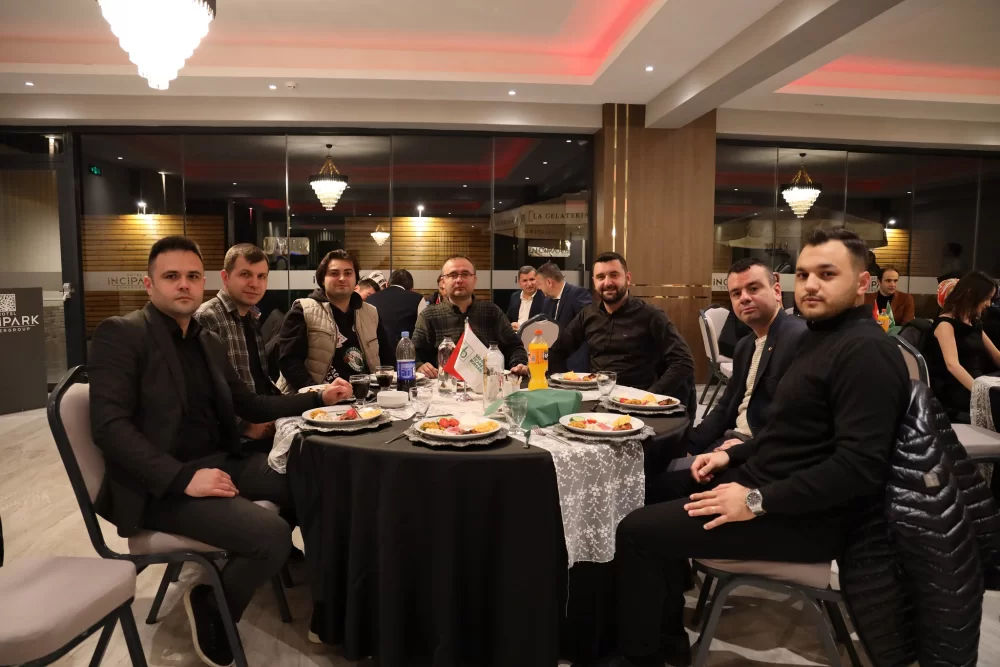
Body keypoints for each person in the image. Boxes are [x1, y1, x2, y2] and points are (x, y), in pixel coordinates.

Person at [607, 228, 909, 667]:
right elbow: (784, 432)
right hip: (766, 484)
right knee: (645, 491)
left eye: (827, 274)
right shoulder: (819, 339)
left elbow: (860, 469)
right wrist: (730, 455)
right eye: (804, 274)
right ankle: (666, 636)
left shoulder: (866, 351)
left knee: (635, 532)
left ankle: (642, 655)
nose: (811, 285)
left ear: (863, 282)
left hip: (805, 517)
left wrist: (754, 500)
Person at [88, 236, 354, 667]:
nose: (184, 284)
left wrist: (318, 396)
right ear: (149, 284)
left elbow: (250, 404)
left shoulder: (205, 339)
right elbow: (109, 428)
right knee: (271, 535)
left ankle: (332, 598)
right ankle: (211, 602)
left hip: (219, 460)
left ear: (204, 282)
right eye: (171, 276)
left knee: (316, 481)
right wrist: (182, 478)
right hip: (158, 485)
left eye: (192, 276)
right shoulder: (122, 334)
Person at [686, 258, 807, 455]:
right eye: (736, 293)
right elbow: (725, 406)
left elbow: (796, 420)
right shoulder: (745, 345)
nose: (744, 298)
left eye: (753, 289)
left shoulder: (799, 338)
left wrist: (744, 448)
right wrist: (690, 447)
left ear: (777, 291)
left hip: (763, 451)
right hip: (733, 440)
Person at [548, 252, 695, 409]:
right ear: (594, 282)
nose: (607, 282)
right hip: (597, 400)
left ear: (628, 278)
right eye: (601, 277)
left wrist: (651, 397)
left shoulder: (651, 315)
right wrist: (566, 389)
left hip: (637, 402)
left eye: (614, 275)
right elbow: (557, 351)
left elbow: (683, 361)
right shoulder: (588, 314)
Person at [194, 243, 279, 452]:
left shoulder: (251, 316)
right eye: (245, 274)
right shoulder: (207, 318)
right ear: (225, 277)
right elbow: (200, 393)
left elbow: (259, 381)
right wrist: (246, 427)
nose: (254, 284)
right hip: (235, 441)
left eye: (261, 276)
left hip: (263, 420)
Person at [276, 249, 392, 393]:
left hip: (366, 397)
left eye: (348, 273)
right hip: (316, 399)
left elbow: (387, 358)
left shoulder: (371, 313)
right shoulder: (303, 310)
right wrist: (318, 395)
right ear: (322, 280)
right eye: (334, 273)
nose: (342, 278)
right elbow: (289, 363)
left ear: (356, 279)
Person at [412, 255, 528, 377]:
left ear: (475, 280)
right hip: (444, 384)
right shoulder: (429, 315)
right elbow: (413, 353)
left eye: (465, 274)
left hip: (486, 384)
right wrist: (419, 365)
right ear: (443, 282)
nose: (459, 280)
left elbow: (514, 347)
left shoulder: (492, 312)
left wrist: (518, 364)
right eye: (453, 275)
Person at [923, 270, 1000, 424]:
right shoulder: (945, 324)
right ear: (971, 294)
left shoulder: (973, 322)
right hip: (955, 388)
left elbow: (996, 355)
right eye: (986, 298)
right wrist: (981, 393)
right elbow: (953, 365)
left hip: (976, 382)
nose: (988, 304)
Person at [536, 261, 593, 372]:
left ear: (549, 282)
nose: (538, 288)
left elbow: (588, 329)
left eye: (539, 283)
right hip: (553, 364)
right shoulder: (546, 302)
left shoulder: (578, 294)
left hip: (575, 365)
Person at [365, 268, 428, 355]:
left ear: (387, 284)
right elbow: (424, 332)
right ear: (411, 289)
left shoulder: (370, 299)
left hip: (375, 354)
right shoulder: (417, 298)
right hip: (406, 355)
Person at [506, 266, 545, 331]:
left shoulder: (544, 297)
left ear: (537, 280)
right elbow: (508, 319)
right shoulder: (514, 296)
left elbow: (546, 323)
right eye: (525, 280)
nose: (529, 284)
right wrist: (511, 325)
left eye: (532, 279)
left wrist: (522, 329)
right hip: (515, 334)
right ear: (519, 283)